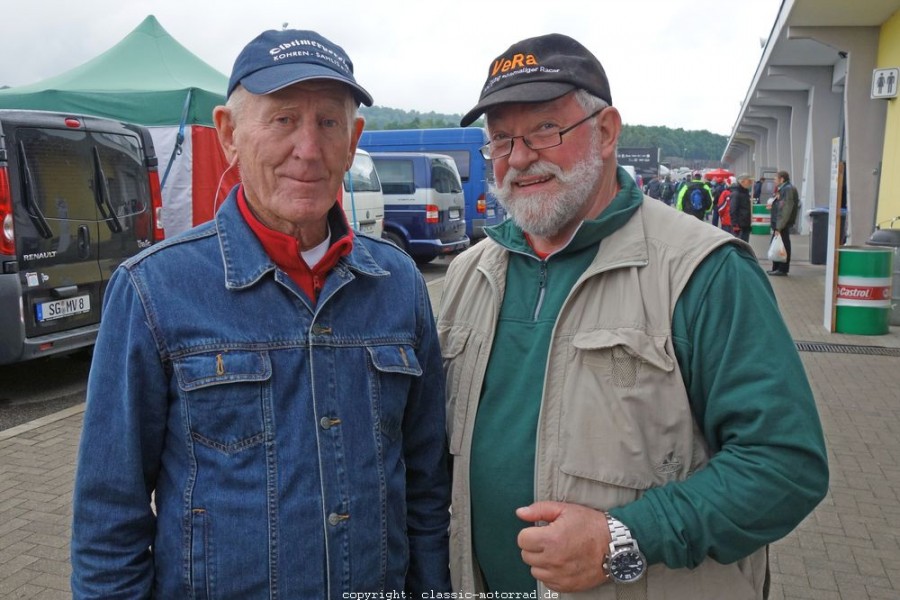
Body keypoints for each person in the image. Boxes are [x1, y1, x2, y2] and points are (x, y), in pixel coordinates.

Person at [438, 33, 828, 599]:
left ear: (606, 131)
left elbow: (785, 466)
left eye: (546, 128)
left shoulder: (704, 272)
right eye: (500, 139)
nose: (520, 158)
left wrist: (625, 538)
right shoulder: (467, 275)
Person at [70, 28, 451, 598]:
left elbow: (425, 490)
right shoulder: (154, 289)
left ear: (353, 141)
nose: (309, 148)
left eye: (328, 122)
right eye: (282, 120)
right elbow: (109, 520)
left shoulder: (398, 285)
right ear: (229, 133)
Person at [768, 170, 799, 276]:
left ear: (782, 179)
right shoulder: (784, 189)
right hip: (780, 223)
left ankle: (782, 268)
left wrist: (779, 226)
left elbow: (786, 209)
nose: (774, 181)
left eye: (775, 179)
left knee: (783, 245)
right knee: (777, 244)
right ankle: (776, 267)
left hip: (782, 224)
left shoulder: (787, 190)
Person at [730, 173, 754, 242]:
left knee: (745, 244)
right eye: (748, 181)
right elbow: (733, 209)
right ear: (742, 181)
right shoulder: (736, 194)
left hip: (746, 224)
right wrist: (735, 224)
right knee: (740, 244)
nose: (750, 183)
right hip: (740, 225)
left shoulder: (745, 193)